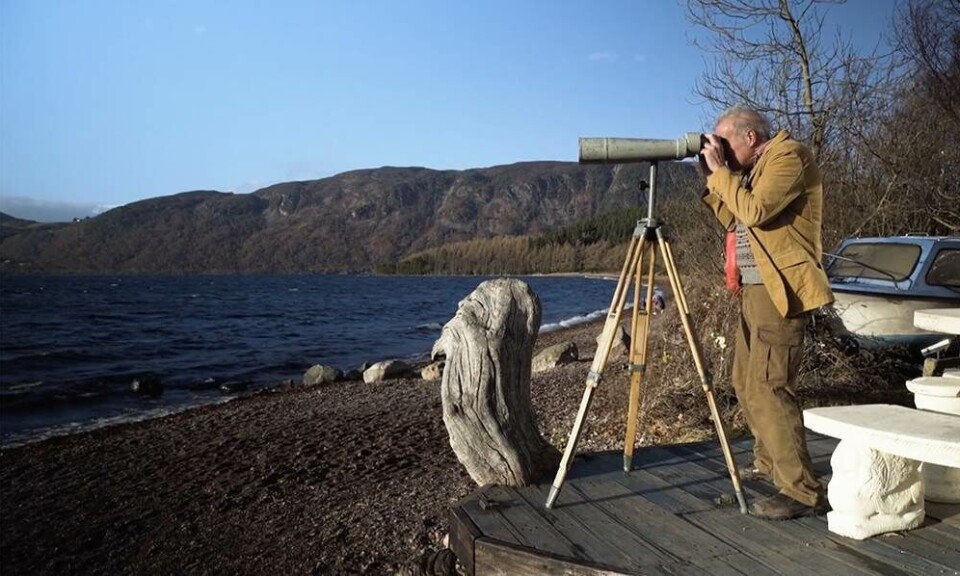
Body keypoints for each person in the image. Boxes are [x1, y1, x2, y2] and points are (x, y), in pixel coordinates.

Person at [698, 106, 835, 520]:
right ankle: (771, 467)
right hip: (755, 290)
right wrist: (711, 179)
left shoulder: (788, 157)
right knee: (745, 381)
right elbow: (733, 218)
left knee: (770, 386)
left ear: (750, 137)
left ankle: (802, 491)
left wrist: (722, 173)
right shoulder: (752, 170)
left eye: (725, 143)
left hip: (780, 292)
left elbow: (755, 211)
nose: (721, 151)